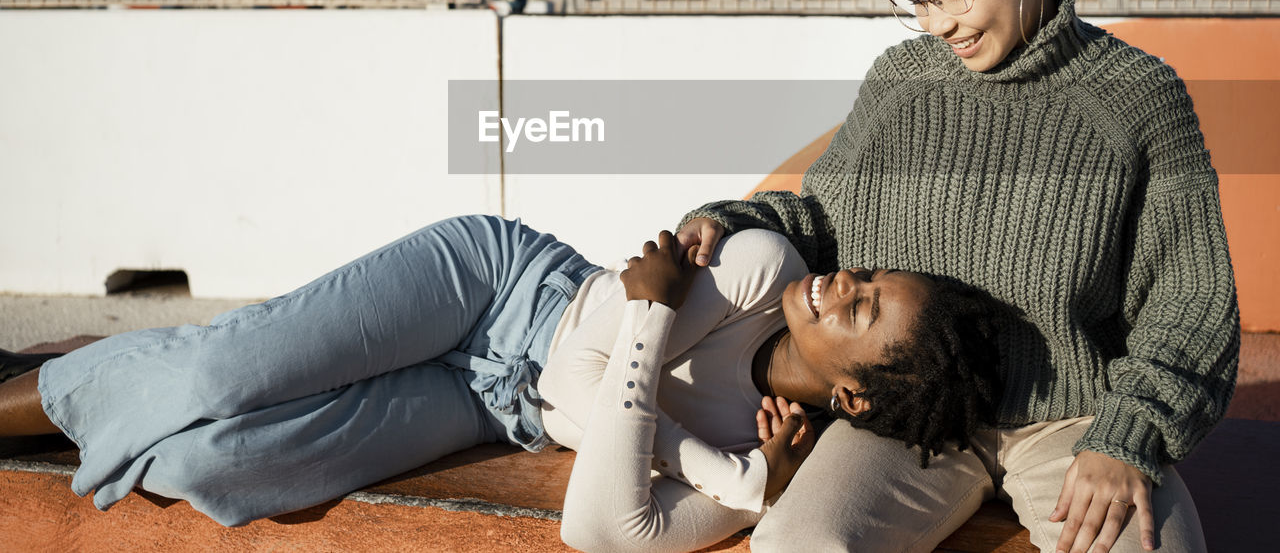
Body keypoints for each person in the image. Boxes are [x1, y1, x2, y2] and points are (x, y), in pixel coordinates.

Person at [677, 0, 1239, 553]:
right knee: (796, 541)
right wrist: (728, 220)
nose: (936, 23)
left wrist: (1130, 434)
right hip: (911, 417)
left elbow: (1192, 301)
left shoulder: (1139, 101)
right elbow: (819, 218)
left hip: (1074, 420)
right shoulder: (901, 80)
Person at [0, 218, 1002, 552]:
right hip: (496, 287)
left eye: (863, 310)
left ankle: (95, 365)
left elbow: (601, 531)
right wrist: (725, 471)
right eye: (869, 275)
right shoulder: (759, 262)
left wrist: (744, 481)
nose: (844, 284)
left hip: (493, 406)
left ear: (857, 400)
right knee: (220, 369)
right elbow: (586, 370)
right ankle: (65, 383)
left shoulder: (777, 455)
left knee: (220, 460)